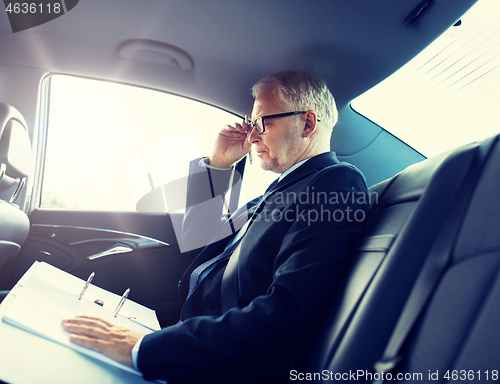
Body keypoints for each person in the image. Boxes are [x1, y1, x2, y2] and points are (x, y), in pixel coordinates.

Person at [62, 70, 369, 383]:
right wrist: (218, 164)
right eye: (251, 124)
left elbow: (287, 311)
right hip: (194, 334)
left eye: (263, 122)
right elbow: (198, 242)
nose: (252, 136)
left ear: (307, 123)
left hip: (224, 364)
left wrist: (144, 349)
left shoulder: (336, 184)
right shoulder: (279, 190)